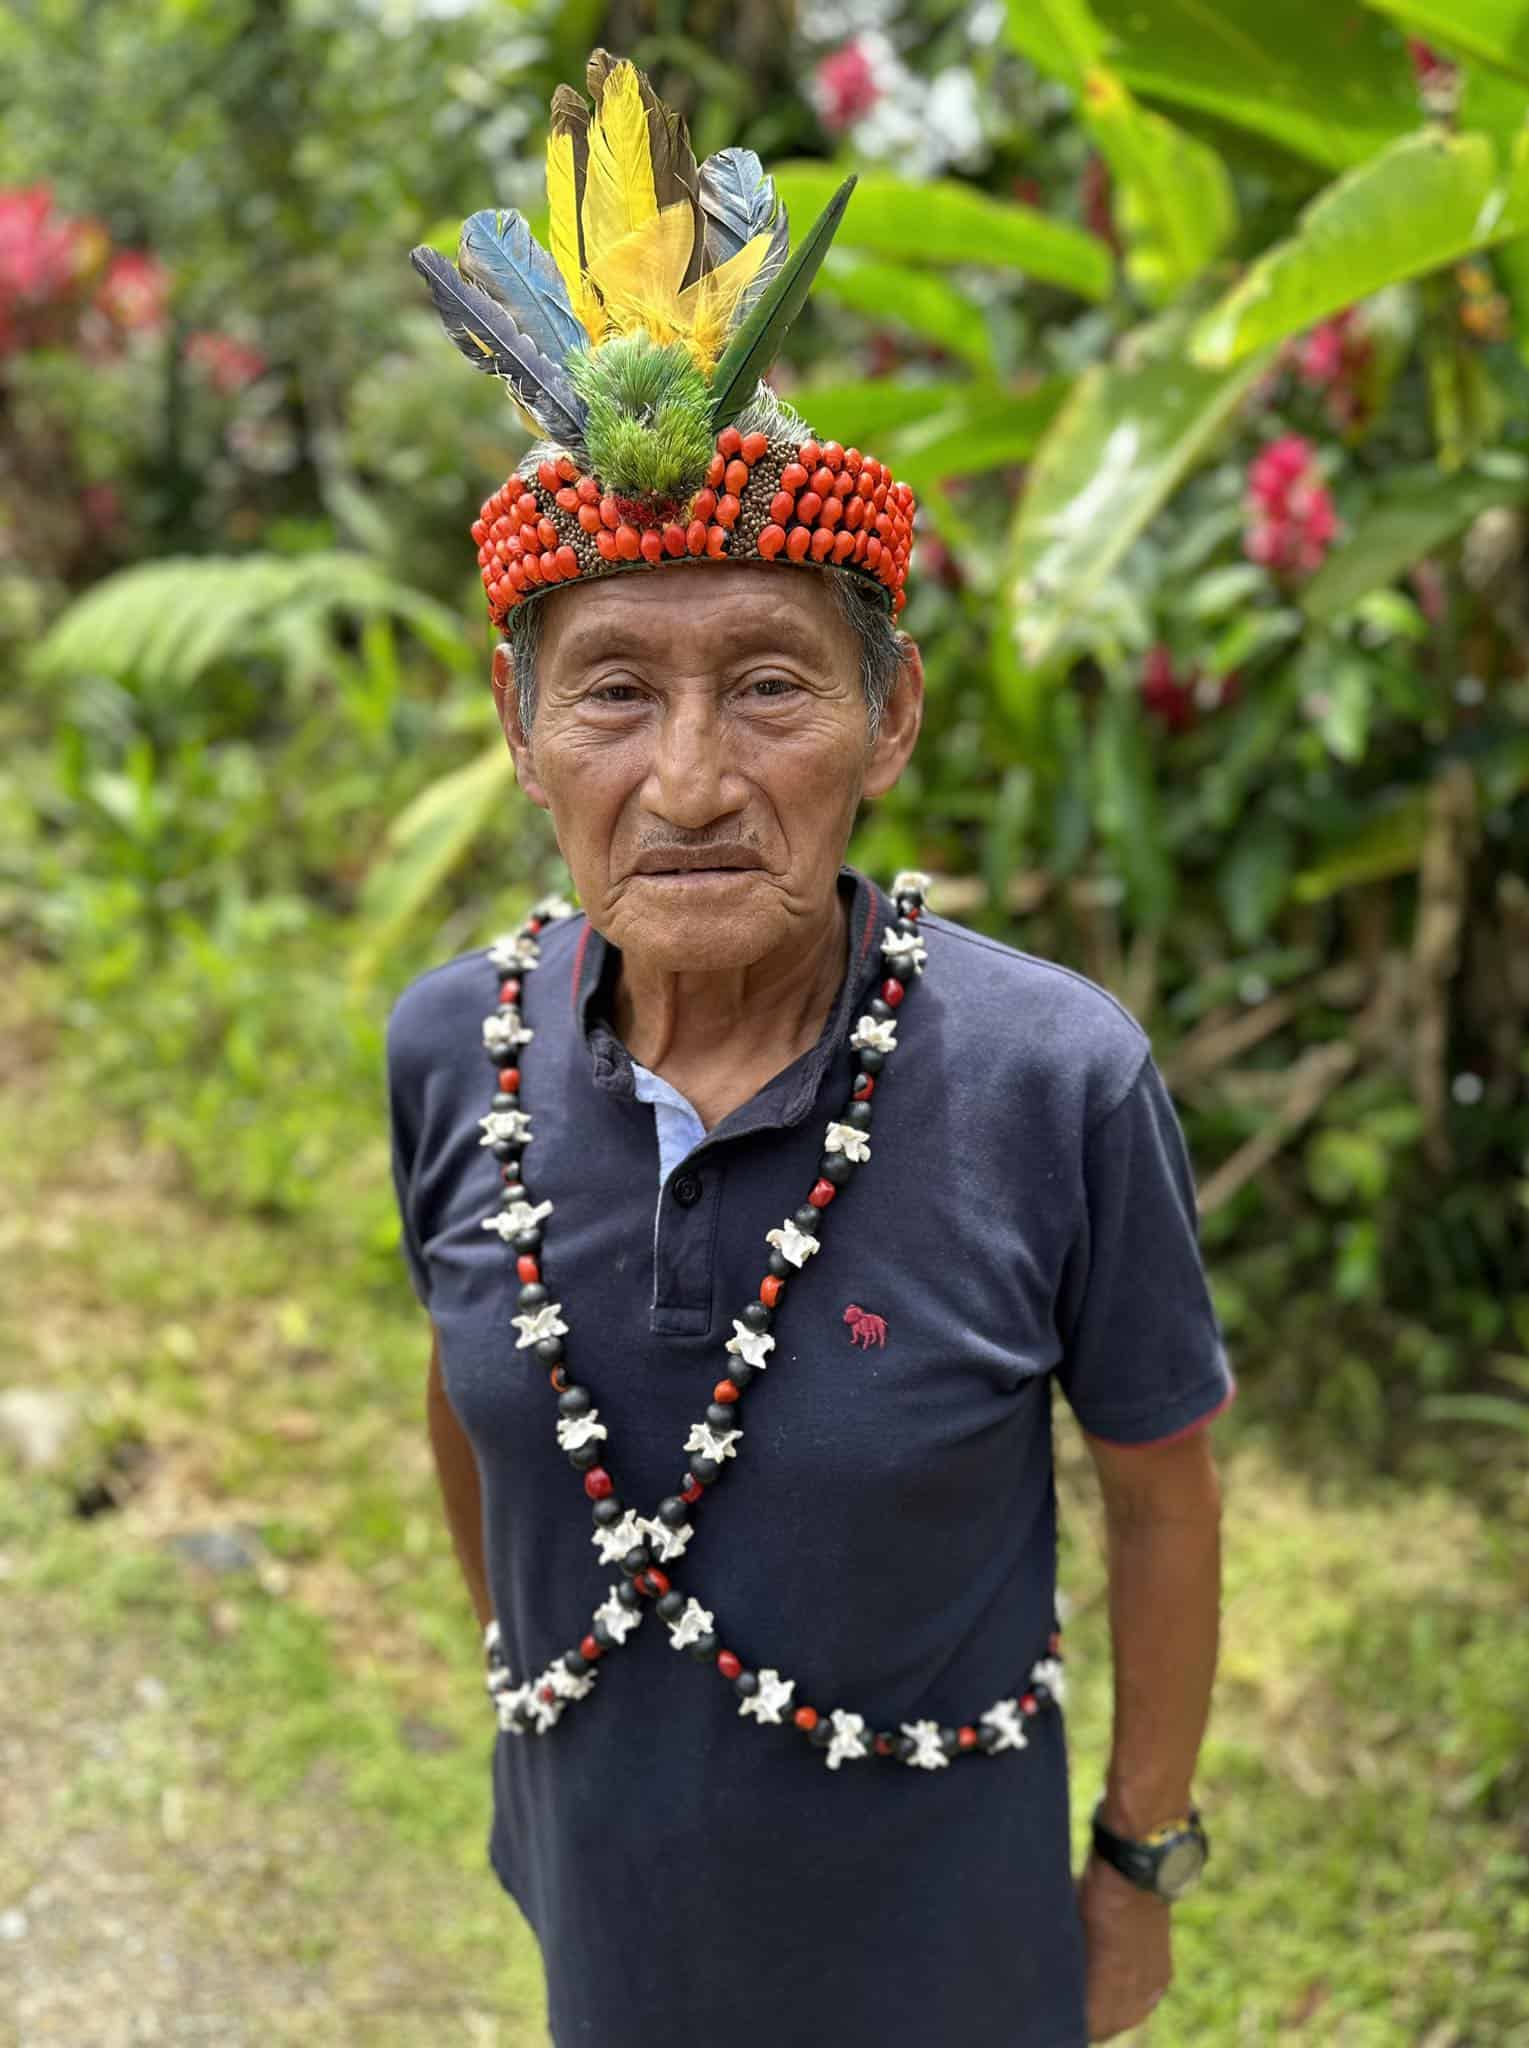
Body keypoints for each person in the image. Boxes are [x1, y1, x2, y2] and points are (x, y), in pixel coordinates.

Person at [387, 50, 1234, 2048]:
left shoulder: (1053, 1080)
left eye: (772, 682)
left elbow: (1163, 1491)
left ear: (893, 718)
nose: (687, 778)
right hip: (613, 1916)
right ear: (521, 734)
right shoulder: (456, 1054)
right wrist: (536, 1738)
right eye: (609, 691)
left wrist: (1139, 1860)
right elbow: (465, 1397)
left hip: (950, 1951)